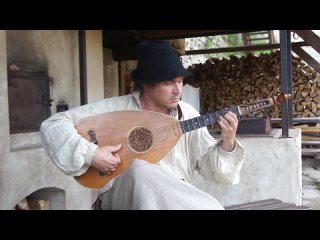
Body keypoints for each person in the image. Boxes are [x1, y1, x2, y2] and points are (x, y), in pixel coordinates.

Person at [40, 40, 245, 210]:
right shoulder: (116, 108)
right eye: (168, 83)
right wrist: (91, 154)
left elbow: (214, 172)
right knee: (140, 170)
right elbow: (53, 125)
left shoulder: (187, 114)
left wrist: (228, 143)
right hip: (120, 200)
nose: (177, 90)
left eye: (180, 81)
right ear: (147, 83)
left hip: (172, 200)